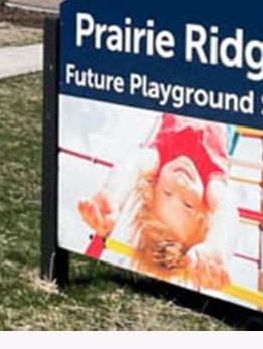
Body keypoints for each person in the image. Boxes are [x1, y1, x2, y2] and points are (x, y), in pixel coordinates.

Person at [77, 113, 235, 291]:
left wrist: (112, 194)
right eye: (188, 204)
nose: (180, 182)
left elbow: (134, 165)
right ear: (205, 209)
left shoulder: (159, 160)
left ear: (154, 185)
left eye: (167, 193)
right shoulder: (212, 180)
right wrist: (219, 245)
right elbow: (225, 207)